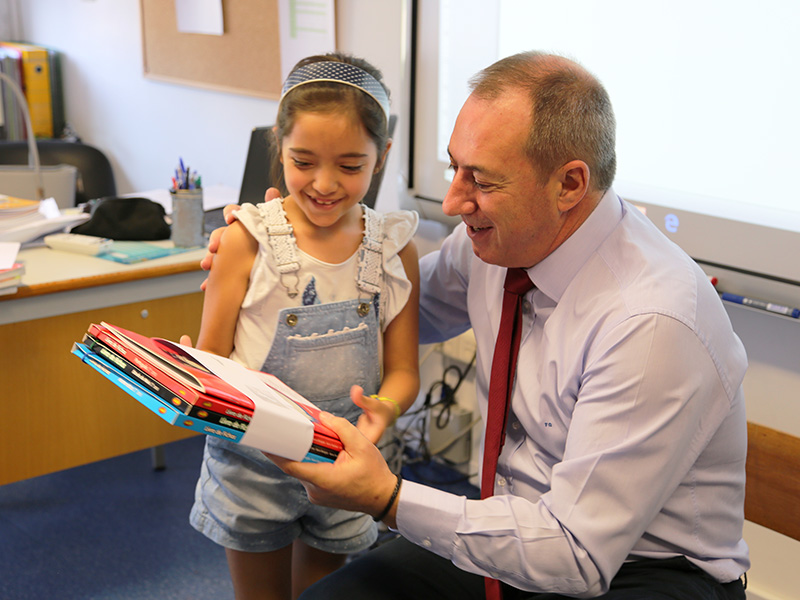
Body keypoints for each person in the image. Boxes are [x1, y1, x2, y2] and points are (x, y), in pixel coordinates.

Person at [205, 51, 749, 599]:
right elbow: (376, 312)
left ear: (569, 185)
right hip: (509, 529)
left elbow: (576, 556)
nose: (452, 201)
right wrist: (283, 260)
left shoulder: (651, 323)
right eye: (454, 167)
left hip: (640, 569)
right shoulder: (492, 243)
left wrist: (389, 499)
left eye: (482, 180)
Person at [188, 52, 420, 600]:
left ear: (382, 156)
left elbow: (405, 371)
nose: (323, 183)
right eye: (303, 160)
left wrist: (385, 408)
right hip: (251, 469)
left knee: (328, 596)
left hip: (346, 463)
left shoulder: (393, 249)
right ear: (279, 143)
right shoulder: (245, 240)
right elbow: (211, 359)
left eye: (350, 164)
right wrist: (188, 379)